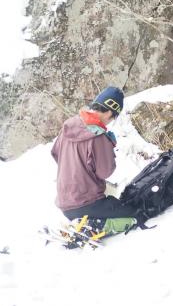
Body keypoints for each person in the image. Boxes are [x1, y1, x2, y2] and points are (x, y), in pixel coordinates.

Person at [51, 86, 137, 234]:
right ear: (109, 112)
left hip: (64, 204)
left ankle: (78, 222)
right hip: (88, 204)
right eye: (114, 117)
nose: (110, 121)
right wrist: (108, 147)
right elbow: (105, 172)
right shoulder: (99, 136)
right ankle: (94, 225)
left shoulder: (69, 125)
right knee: (134, 213)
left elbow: (55, 153)